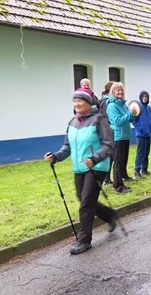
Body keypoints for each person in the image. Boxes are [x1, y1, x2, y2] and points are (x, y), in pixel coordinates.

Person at [44, 89, 117, 255]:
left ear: (88, 102)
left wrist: (94, 158)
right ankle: (109, 215)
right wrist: (55, 157)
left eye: (80, 101)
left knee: (86, 203)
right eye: (75, 101)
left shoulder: (99, 119)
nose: (77, 104)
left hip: (96, 167)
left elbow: (109, 144)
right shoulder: (72, 122)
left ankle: (84, 240)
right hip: (79, 168)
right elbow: (67, 147)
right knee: (84, 199)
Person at [106, 82, 137, 193]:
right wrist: (129, 114)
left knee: (123, 161)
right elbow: (118, 121)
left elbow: (128, 119)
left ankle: (121, 182)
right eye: (117, 90)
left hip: (125, 136)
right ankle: (117, 186)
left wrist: (133, 116)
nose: (120, 92)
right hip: (117, 136)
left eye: (121, 90)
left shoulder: (123, 104)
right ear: (113, 92)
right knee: (118, 162)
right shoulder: (111, 106)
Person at [132, 90, 151, 178]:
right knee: (140, 153)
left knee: (146, 153)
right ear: (140, 97)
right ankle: (137, 171)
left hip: (148, 134)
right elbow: (133, 120)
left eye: (146, 96)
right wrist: (140, 128)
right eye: (143, 96)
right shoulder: (138, 107)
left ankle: (144, 169)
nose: (145, 98)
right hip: (140, 134)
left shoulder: (149, 108)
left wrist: (150, 128)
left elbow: (150, 118)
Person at [98, 81, 114, 185]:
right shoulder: (106, 102)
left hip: (105, 130)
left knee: (110, 155)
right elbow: (107, 117)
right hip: (107, 131)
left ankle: (106, 178)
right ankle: (106, 178)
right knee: (109, 155)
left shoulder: (105, 101)